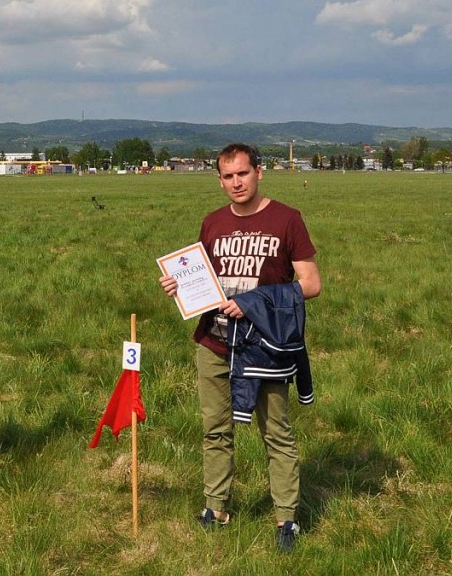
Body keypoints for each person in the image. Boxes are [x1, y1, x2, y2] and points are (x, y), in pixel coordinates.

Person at [159, 143, 321, 552]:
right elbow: (204, 280)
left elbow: (311, 284)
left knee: (276, 433)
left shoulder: (287, 219)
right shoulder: (212, 223)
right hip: (214, 342)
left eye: (243, 174)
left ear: (259, 173)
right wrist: (179, 287)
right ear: (219, 180)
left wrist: (254, 303)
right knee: (215, 429)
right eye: (228, 176)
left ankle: (286, 519)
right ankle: (216, 508)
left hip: (264, 346)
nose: (236, 182)